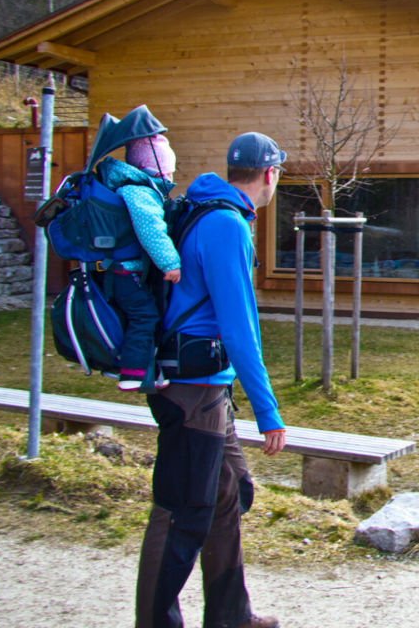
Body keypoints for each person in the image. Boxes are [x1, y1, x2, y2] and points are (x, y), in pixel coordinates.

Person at [135, 132, 288, 628]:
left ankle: (230, 616)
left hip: (205, 384)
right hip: (194, 389)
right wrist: (268, 412)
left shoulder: (211, 209)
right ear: (270, 175)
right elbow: (240, 329)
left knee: (229, 494)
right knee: (182, 510)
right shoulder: (225, 224)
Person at [104, 133, 182, 392]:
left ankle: (151, 370)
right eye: (168, 172)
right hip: (128, 274)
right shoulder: (140, 193)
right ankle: (132, 374)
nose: (170, 178)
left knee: (143, 316)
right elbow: (151, 230)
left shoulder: (132, 189)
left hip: (123, 272)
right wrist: (170, 263)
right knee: (144, 317)